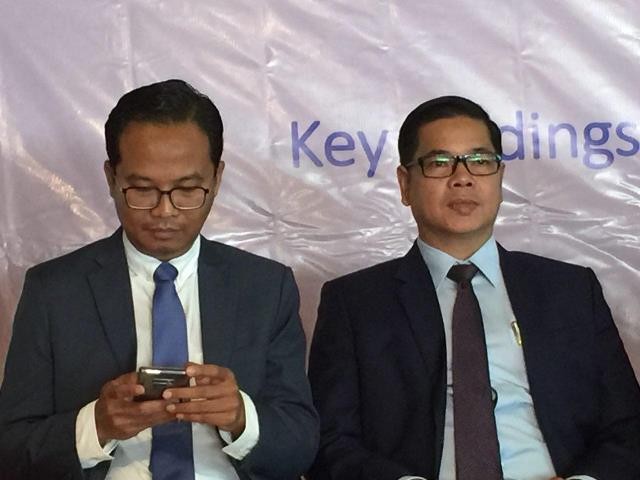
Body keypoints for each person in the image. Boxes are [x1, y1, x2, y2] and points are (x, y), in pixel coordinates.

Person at [307, 96, 640, 480]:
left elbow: (628, 427)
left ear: (499, 178)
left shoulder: (570, 290)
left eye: (480, 161)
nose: (462, 177)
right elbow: (329, 441)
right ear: (405, 184)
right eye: (439, 162)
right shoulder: (355, 303)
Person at [0, 79, 318, 480]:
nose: (165, 211)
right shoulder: (54, 291)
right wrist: (96, 426)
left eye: (187, 189)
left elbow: (301, 444)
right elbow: (10, 449)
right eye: (142, 189)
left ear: (217, 178)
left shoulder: (265, 288)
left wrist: (241, 418)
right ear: (111, 178)